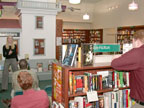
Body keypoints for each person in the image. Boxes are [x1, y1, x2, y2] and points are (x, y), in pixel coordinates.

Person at [111, 30, 144, 108]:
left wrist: (116, 57)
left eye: (132, 42)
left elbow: (115, 64)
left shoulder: (138, 52)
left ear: (136, 41)